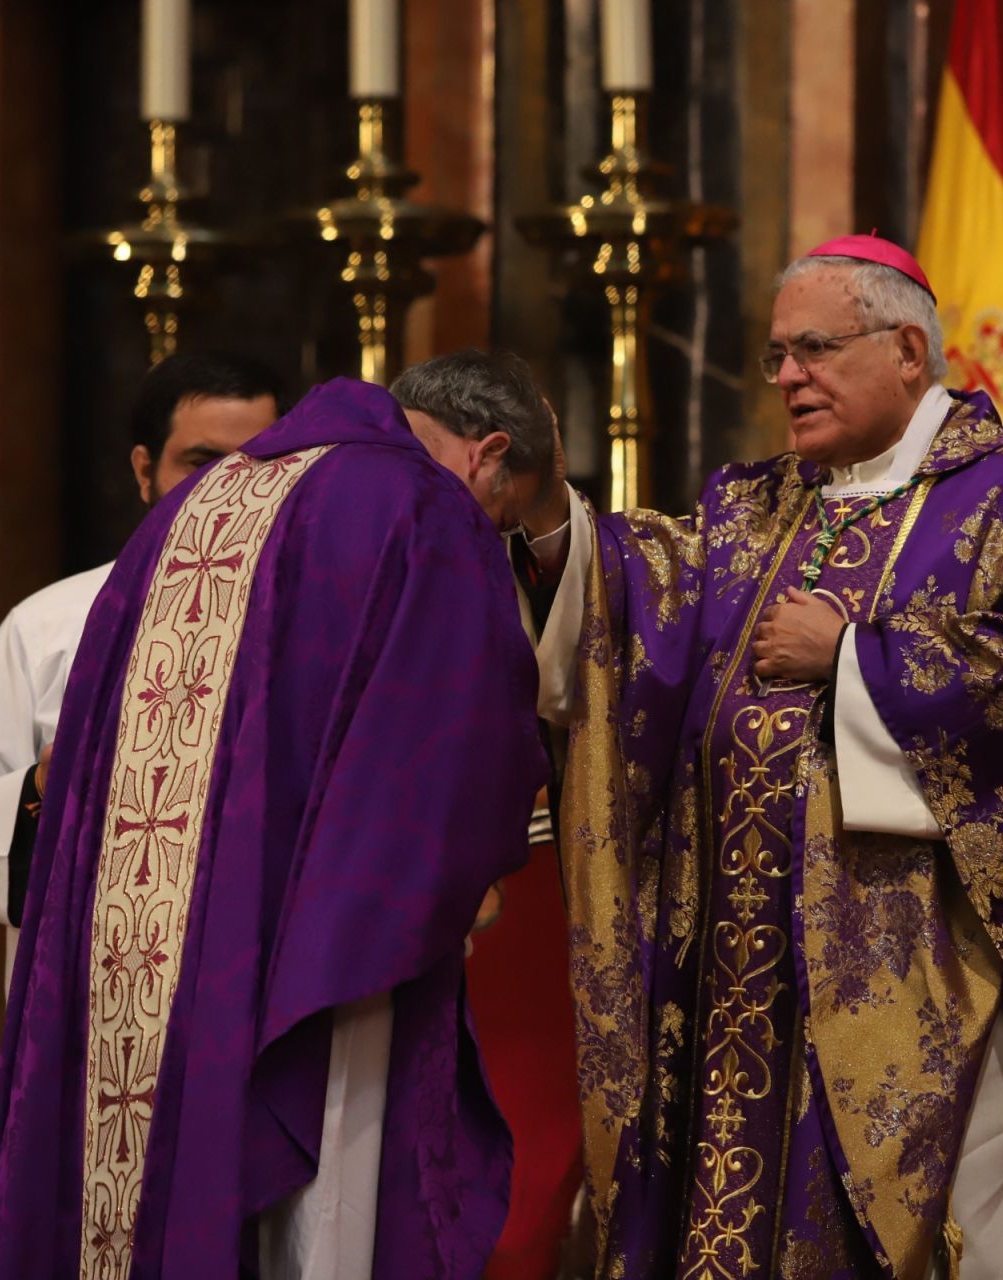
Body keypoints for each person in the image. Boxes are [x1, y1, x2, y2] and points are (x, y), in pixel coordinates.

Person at [521, 235, 1003, 1279]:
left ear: (908, 349)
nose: (784, 376)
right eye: (778, 354)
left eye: (813, 348)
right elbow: (641, 609)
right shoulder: (757, 502)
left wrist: (856, 659)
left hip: (922, 972)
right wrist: (553, 515)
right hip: (742, 977)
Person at [0, 374, 551, 1278]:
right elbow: (463, 746)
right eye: (506, 516)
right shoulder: (424, 508)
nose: (494, 531)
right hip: (330, 964)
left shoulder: (193, 508)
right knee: (331, 1213)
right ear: (486, 457)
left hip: (156, 961)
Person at [0, 351, 282, 977]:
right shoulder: (52, 626)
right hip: (96, 991)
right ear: (144, 470)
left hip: (263, 985)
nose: (228, 493)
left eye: (258, 466)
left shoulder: (324, 626)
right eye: (201, 463)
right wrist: (41, 790)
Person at [393, 350, 586, 1280]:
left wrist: (544, 513)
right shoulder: (357, 531)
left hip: (513, 920)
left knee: (509, 1202)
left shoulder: (495, 555)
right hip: (372, 926)